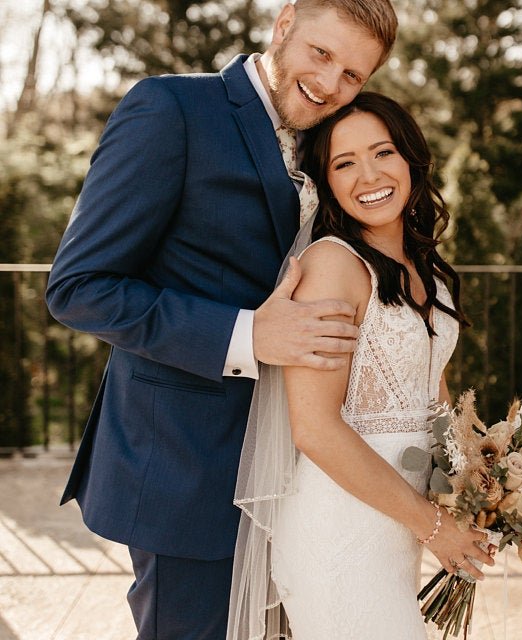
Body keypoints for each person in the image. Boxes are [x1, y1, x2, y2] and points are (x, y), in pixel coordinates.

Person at [45, 2, 398, 638]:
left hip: (303, 480)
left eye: (353, 74)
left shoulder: (335, 141)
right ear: (284, 23)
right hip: (187, 468)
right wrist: (247, 334)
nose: (330, 84)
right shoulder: (171, 110)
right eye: (322, 54)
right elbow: (79, 288)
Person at [227, 92, 495, 640]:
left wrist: (479, 473)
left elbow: (432, 390)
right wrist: (436, 526)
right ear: (325, 182)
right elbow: (316, 430)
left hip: (401, 528)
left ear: (411, 160)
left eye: (383, 153)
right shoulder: (331, 266)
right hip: (339, 536)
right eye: (344, 163)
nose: (367, 174)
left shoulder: (425, 270)